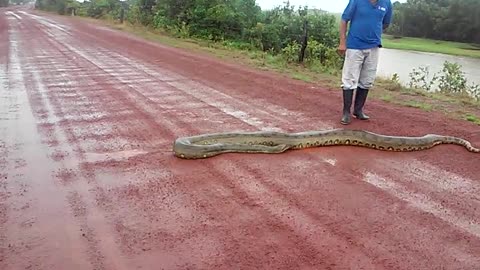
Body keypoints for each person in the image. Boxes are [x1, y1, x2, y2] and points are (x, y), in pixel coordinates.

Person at [337, 0, 393, 125]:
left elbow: (385, 23)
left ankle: (358, 110)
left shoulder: (386, 3)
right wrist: (342, 42)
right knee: (349, 80)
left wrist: (373, 31)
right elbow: (344, 19)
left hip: (374, 46)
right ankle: (346, 112)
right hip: (355, 46)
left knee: (367, 80)